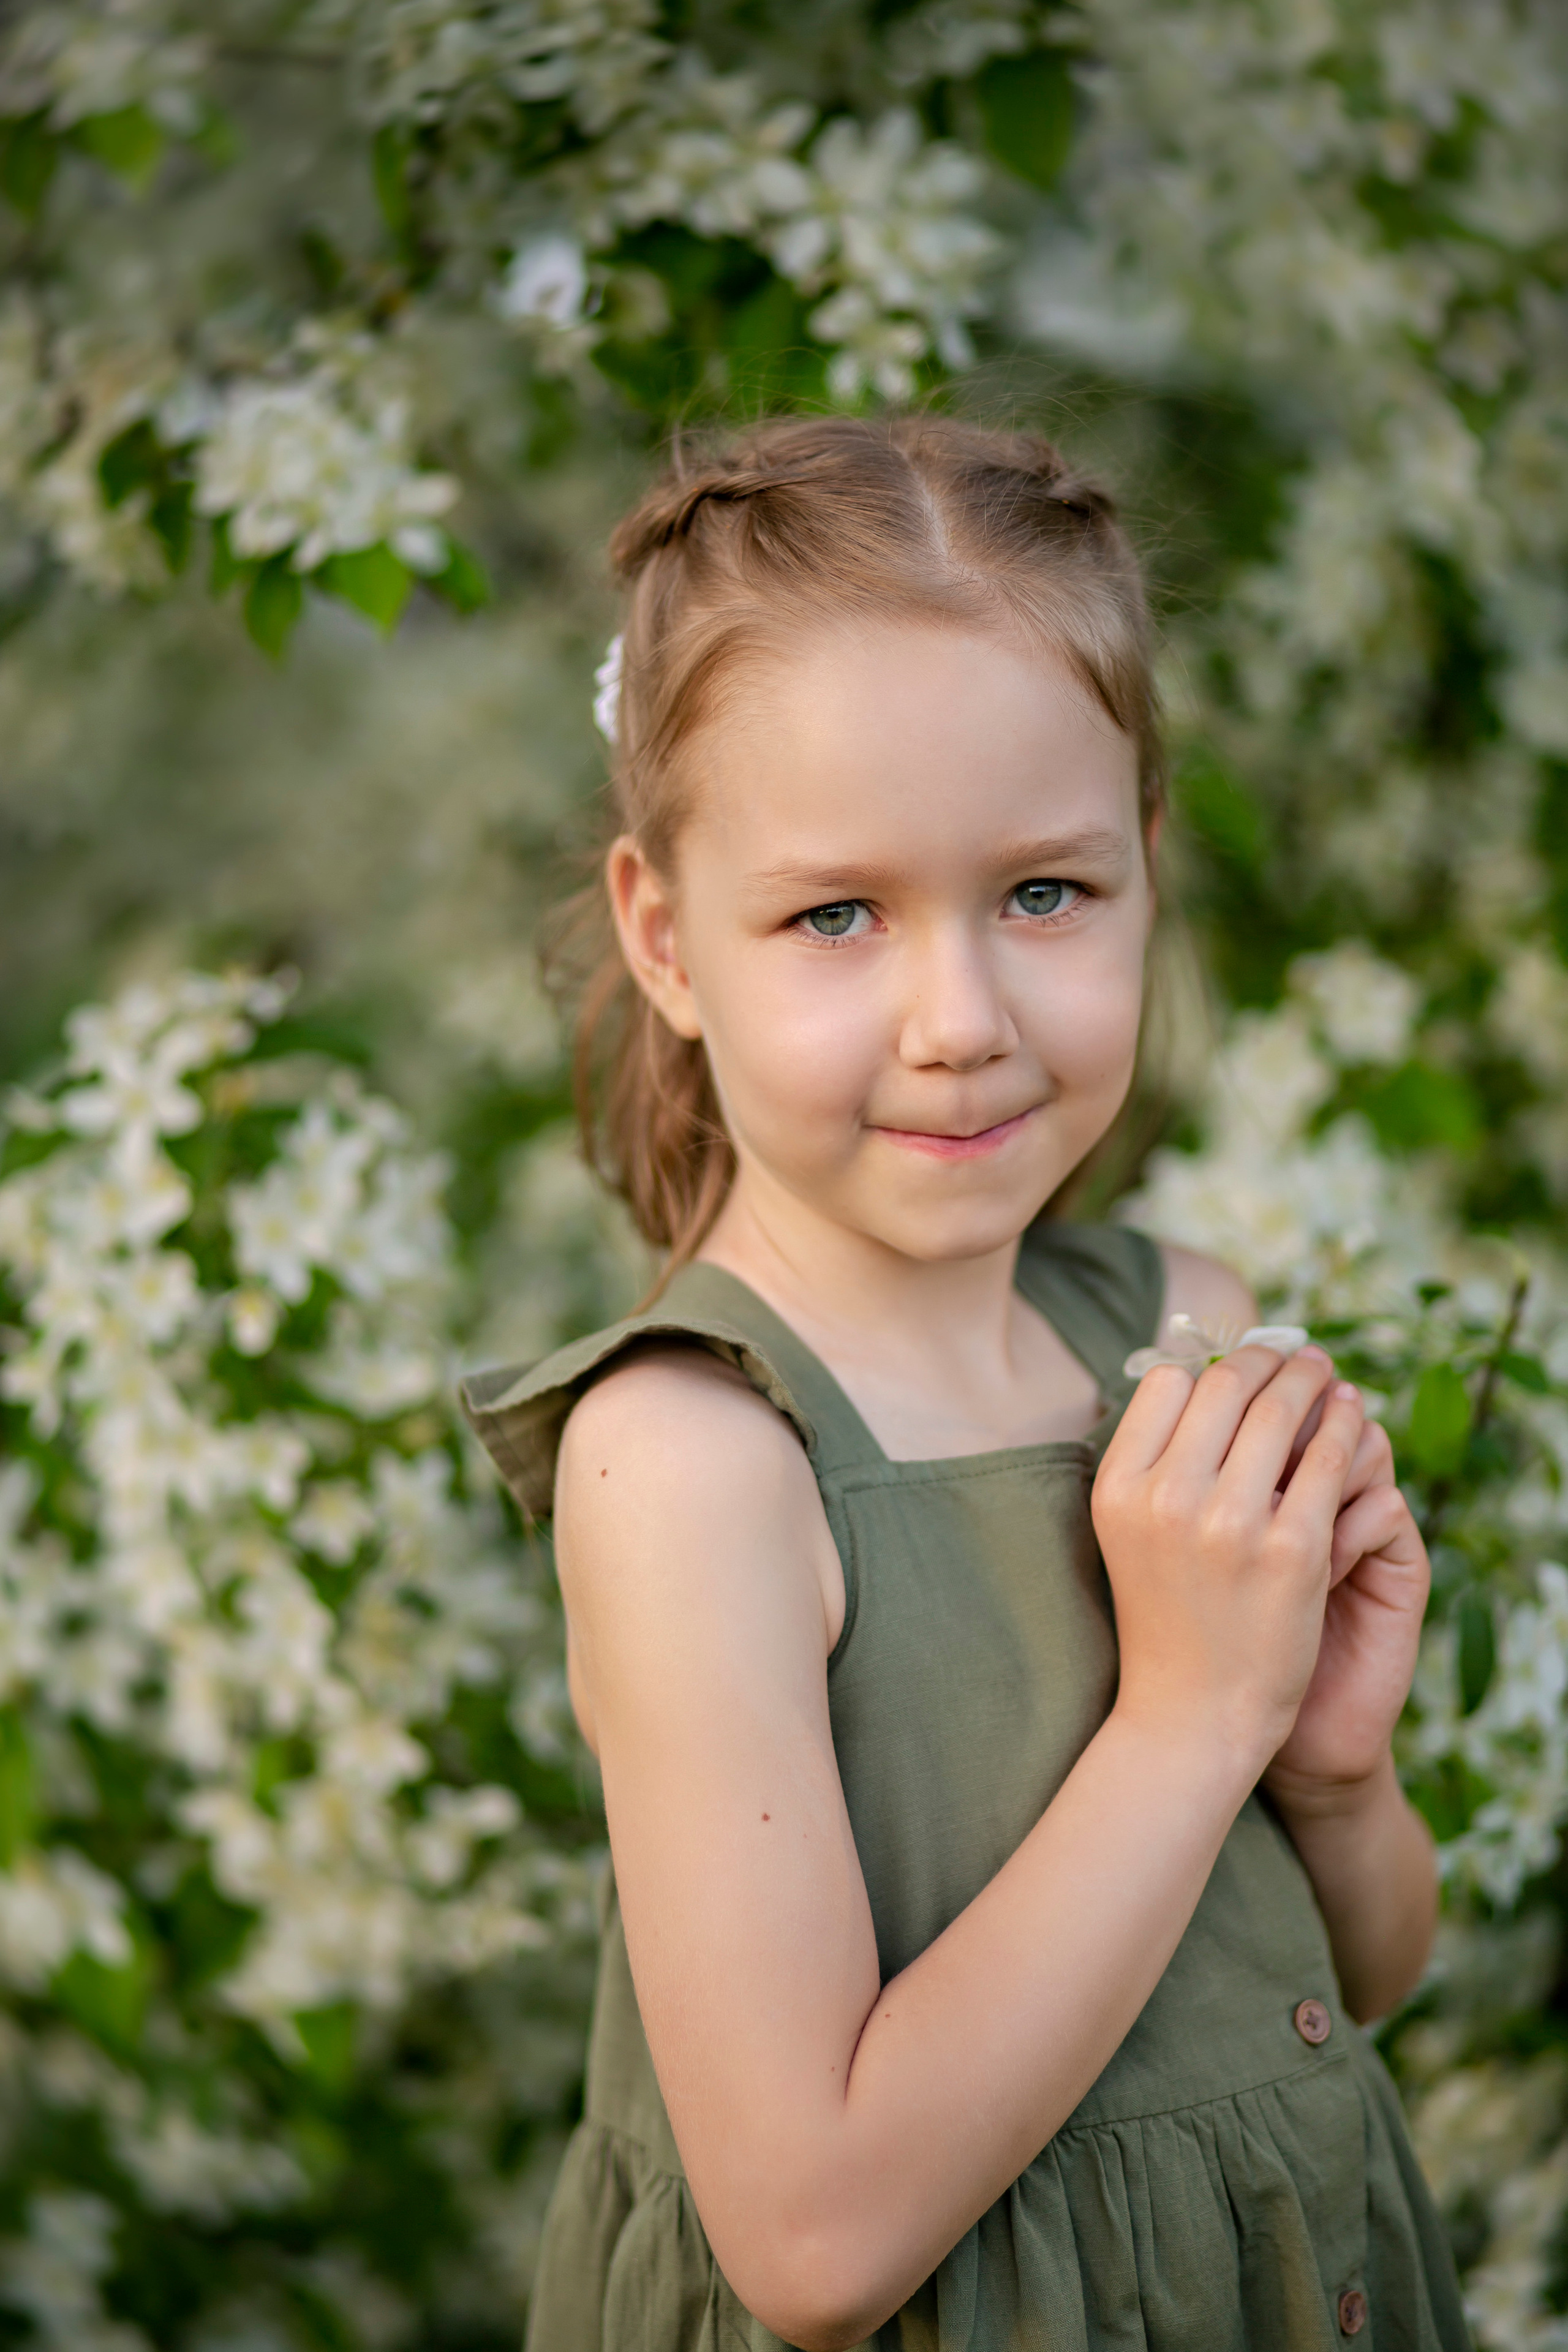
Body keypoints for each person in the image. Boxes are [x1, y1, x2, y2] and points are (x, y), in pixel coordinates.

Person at [462, 415, 1469, 2351]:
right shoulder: (693, 1461)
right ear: (667, 940)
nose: (965, 1023)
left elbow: (1349, 1979)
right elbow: (816, 2247)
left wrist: (1328, 1771)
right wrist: (1190, 1722)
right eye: (837, 915)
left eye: (1045, 896)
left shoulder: (1186, 1327)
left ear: (1146, 868)